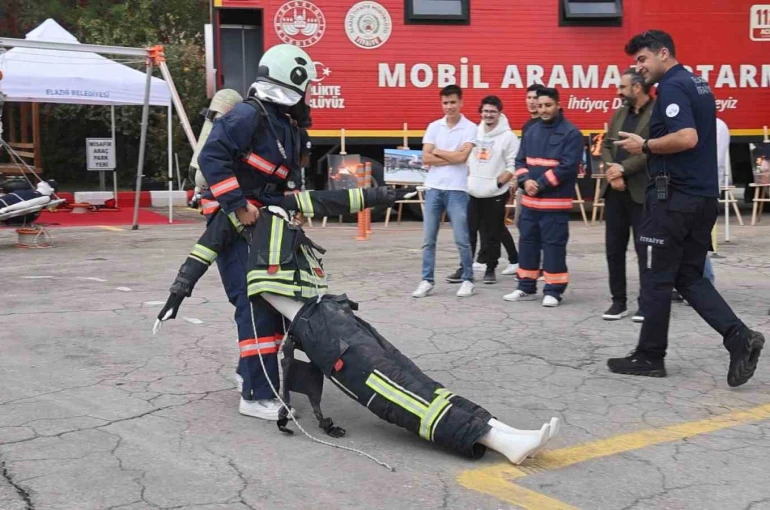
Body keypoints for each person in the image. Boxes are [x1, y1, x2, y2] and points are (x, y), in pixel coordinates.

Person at [154, 190, 561, 467]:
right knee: (393, 388)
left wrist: (381, 194)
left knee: (409, 375)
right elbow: (203, 250)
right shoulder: (239, 211)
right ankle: (500, 441)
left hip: (332, 311)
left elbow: (334, 199)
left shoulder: (276, 200)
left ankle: (499, 430)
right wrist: (178, 291)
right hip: (316, 330)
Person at [607, 30, 764, 386]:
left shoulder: (674, 87)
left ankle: (649, 356)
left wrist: (645, 145)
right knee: (689, 276)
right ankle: (739, 338)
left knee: (657, 278)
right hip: (701, 199)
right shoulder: (698, 83)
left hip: (673, 200)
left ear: (664, 54)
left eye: (643, 60)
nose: (639, 68)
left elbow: (686, 137)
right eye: (636, 63)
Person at [195, 43, 317, 420]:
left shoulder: (283, 122)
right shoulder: (250, 115)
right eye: (307, 84)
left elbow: (278, 179)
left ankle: (247, 373)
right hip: (232, 226)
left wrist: (292, 210)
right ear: (292, 81)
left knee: (267, 300)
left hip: (263, 225)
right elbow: (210, 157)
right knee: (255, 304)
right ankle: (256, 395)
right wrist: (238, 205)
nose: (310, 91)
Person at [503, 87, 583, 307]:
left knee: (553, 246)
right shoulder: (531, 130)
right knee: (527, 244)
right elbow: (520, 162)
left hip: (554, 204)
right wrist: (525, 180)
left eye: (549, 105)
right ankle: (525, 287)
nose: (544, 110)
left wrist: (540, 184)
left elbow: (568, 167)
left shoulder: (571, 133)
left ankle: (553, 290)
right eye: (541, 106)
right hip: (530, 203)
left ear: (558, 105)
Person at [412, 85, 477, 299]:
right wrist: (449, 154)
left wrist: (438, 151)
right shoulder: (434, 127)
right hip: (434, 188)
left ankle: (468, 279)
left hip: (457, 190)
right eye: (445, 103)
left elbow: (461, 159)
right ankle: (426, 280)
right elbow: (426, 158)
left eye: (453, 102)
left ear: (461, 103)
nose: (449, 106)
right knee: (428, 239)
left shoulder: (470, 128)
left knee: (461, 238)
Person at [600, 69, 654, 322]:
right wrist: (613, 171)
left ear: (637, 88)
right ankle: (618, 302)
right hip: (615, 191)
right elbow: (607, 146)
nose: (618, 91)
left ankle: (646, 304)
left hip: (642, 192)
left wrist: (623, 169)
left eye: (622, 87)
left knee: (645, 250)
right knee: (614, 249)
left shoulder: (658, 113)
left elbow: (651, 151)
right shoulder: (619, 113)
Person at [466, 95, 520, 285]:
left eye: (493, 111)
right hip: (473, 191)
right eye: (486, 111)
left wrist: (497, 184)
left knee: (493, 232)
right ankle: (466, 269)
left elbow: (513, 165)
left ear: (499, 113)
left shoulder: (508, 137)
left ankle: (491, 268)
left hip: (495, 193)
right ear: (480, 112)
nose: (489, 115)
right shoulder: (473, 132)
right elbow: (466, 157)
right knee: (469, 232)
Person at [513, 84, 546, 230]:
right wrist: (518, 178)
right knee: (521, 224)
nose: (531, 101)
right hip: (525, 183)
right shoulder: (527, 125)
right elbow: (523, 156)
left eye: (535, 98)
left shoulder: (546, 125)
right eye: (529, 97)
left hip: (540, 184)